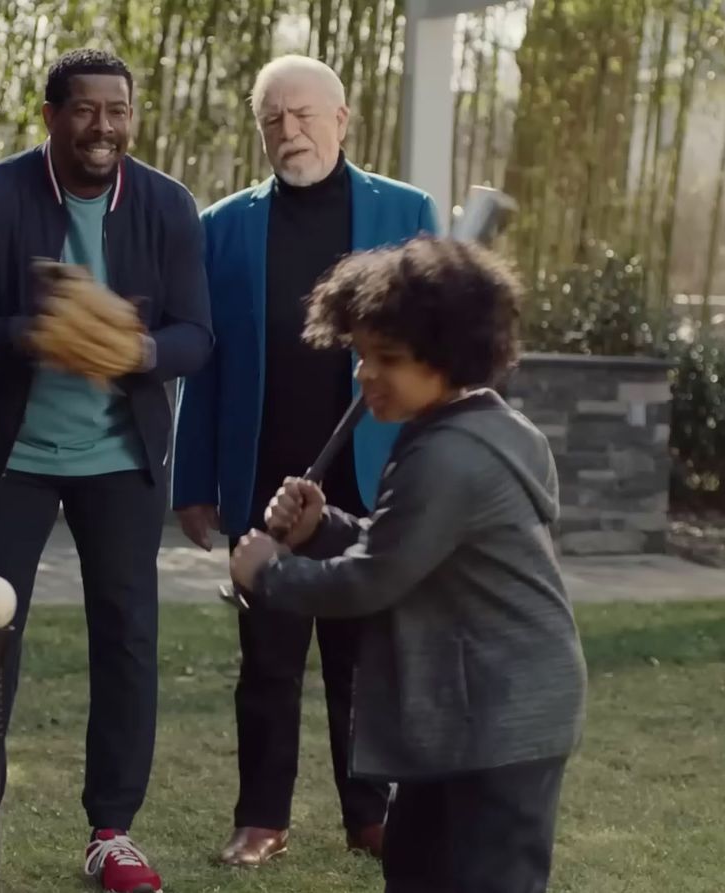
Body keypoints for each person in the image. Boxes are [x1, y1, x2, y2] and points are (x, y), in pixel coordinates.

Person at [0, 48, 211, 893]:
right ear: (50, 116)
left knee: (127, 635)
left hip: (120, 457)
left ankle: (112, 831)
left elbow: (198, 335)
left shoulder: (165, 205)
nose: (103, 127)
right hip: (10, 454)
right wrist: (44, 329)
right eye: (85, 110)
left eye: (117, 111)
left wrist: (137, 347)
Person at [228, 236, 588, 893]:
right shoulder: (487, 427)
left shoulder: (450, 457)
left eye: (387, 359)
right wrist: (322, 527)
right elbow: (409, 546)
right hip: (469, 712)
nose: (366, 375)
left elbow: (373, 580)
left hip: (503, 719)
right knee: (417, 867)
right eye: (362, 355)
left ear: (449, 355)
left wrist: (268, 572)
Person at [169, 54, 441, 866]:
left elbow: (435, 355)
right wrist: (194, 484)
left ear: (342, 119)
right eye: (273, 120)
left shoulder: (406, 211)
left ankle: (371, 813)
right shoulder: (222, 227)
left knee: (365, 662)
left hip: (373, 479)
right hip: (264, 478)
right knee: (268, 663)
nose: (290, 131)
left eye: (304, 114)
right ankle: (262, 819)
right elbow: (205, 363)